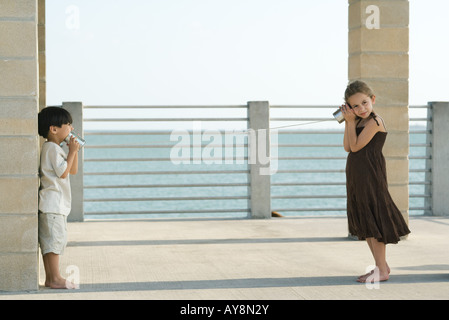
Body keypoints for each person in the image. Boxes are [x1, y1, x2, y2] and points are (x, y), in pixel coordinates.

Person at [340, 80, 411, 283]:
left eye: (364, 103)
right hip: (357, 175)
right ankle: (381, 267)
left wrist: (351, 122)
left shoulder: (375, 122)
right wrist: (348, 122)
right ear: (349, 107)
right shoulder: (357, 121)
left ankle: (381, 270)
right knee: (367, 220)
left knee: (375, 220)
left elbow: (356, 146)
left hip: (371, 174)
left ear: (372, 99)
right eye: (355, 106)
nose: (361, 108)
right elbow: (347, 146)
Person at [37, 106, 80, 289]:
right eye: (67, 125)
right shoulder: (52, 149)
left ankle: (51, 278)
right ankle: (55, 278)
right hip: (53, 205)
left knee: (51, 243)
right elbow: (63, 173)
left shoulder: (55, 149)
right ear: (54, 129)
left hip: (54, 206)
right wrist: (70, 152)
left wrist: (74, 151)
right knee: (54, 243)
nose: (71, 128)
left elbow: (72, 170)